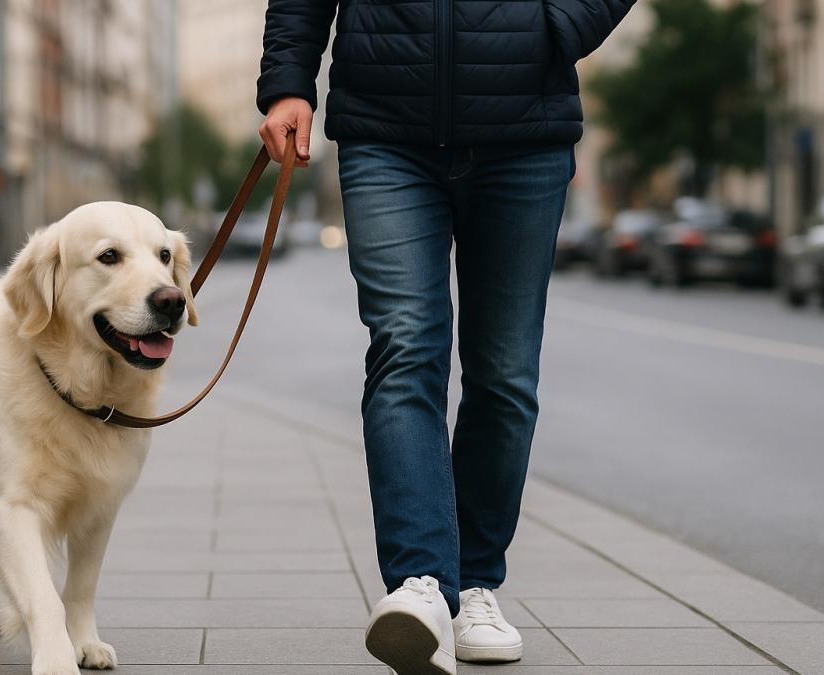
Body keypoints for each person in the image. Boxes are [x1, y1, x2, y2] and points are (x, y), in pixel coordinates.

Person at [257, 1, 634, 673]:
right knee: (404, 347)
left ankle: (478, 582)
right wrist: (289, 83)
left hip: (525, 131)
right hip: (385, 128)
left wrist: (556, 28)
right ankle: (422, 584)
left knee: (504, 373)